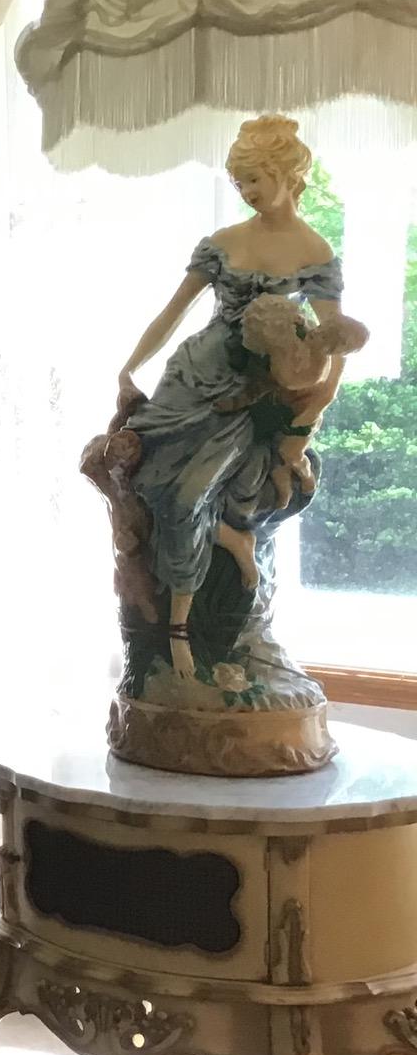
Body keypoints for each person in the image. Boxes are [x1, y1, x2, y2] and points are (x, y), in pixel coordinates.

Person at [113, 116, 368, 684]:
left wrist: (304, 422)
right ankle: (218, 552)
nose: (248, 193)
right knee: (149, 483)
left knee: (190, 495)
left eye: (255, 179)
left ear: (286, 174)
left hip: (254, 387)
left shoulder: (315, 252)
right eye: (239, 183)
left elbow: (330, 346)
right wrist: (130, 366)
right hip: (194, 374)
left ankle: (194, 633)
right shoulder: (223, 244)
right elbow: (173, 311)